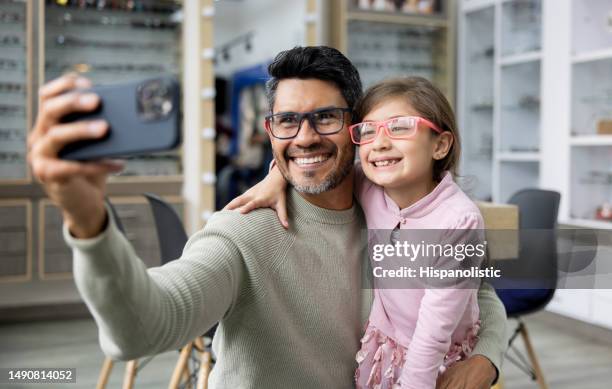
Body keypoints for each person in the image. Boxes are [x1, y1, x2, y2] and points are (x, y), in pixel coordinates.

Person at [27, 46, 506, 388]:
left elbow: (477, 290)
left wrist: (487, 358)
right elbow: (141, 330)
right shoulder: (242, 232)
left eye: (325, 118)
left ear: (352, 131)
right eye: (286, 121)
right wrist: (87, 219)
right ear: (270, 130)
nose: (304, 137)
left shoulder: (386, 200)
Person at [227, 76, 491, 388]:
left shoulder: (459, 221)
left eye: (400, 127)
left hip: (437, 358)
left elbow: (435, 329)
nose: (379, 143)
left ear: (440, 144)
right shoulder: (370, 184)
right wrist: (276, 177)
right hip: (386, 347)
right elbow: (314, 166)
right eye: (367, 131)